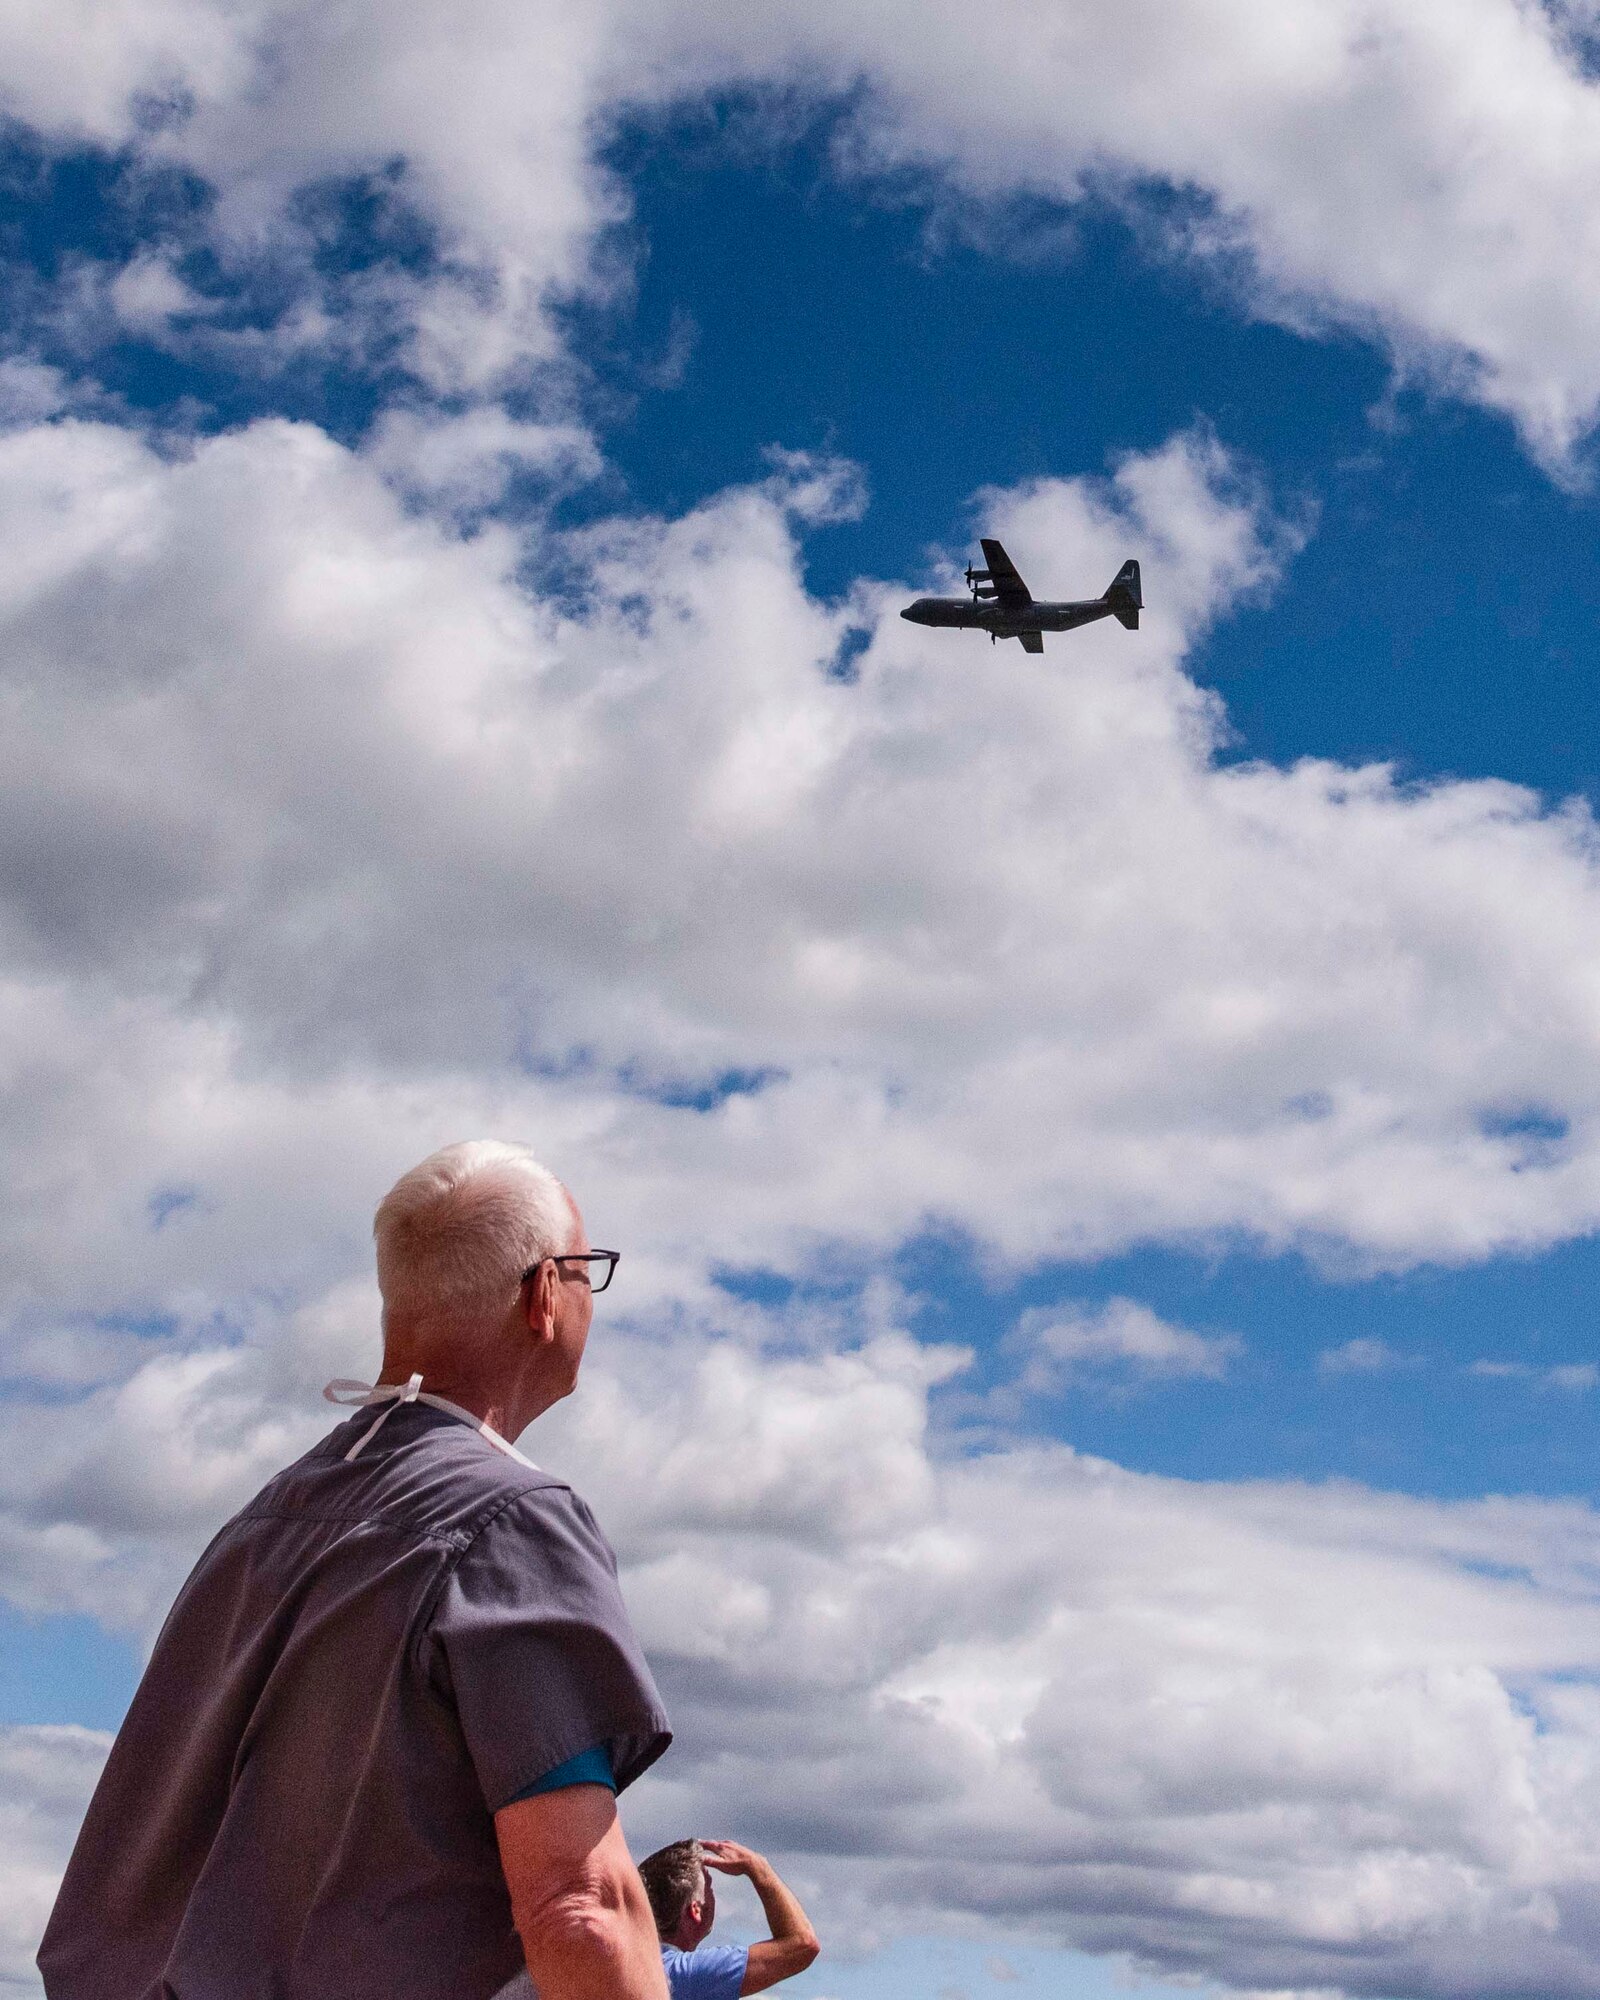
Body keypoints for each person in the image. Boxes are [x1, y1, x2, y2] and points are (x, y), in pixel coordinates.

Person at [40, 1140, 673, 2000]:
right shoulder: (516, 1524)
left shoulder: (256, 1524)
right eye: (584, 1271)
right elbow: (581, 1905)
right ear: (540, 1296)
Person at [639, 1839, 820, 1999]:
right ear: (696, 1910)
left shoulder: (622, 1964)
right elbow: (803, 1944)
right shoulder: (686, 1974)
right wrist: (758, 1867)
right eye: (709, 1888)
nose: (712, 1894)